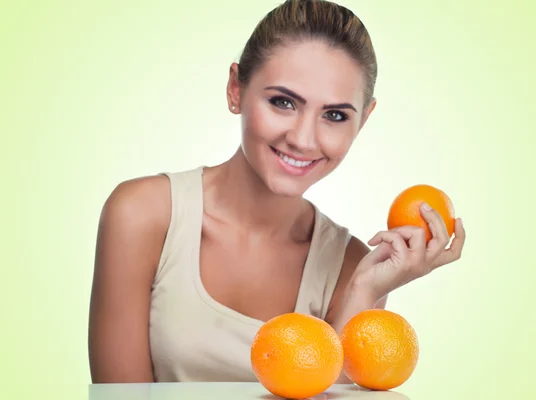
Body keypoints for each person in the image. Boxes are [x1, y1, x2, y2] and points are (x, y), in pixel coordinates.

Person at [88, 0, 466, 384]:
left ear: (362, 120)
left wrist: (364, 292)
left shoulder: (351, 267)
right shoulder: (143, 215)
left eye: (334, 115)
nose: (303, 139)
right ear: (236, 89)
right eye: (283, 102)